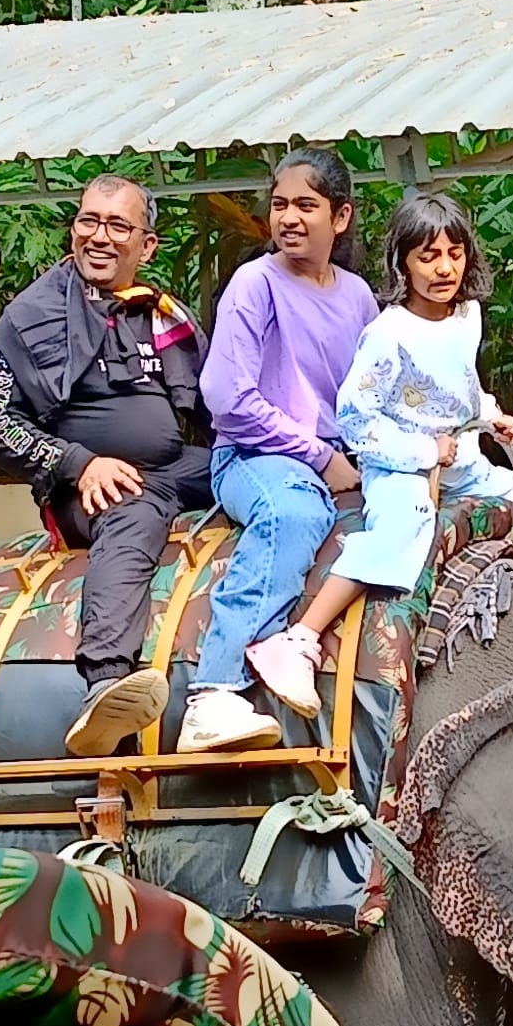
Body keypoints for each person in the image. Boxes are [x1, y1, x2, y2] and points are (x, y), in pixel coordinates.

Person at [246, 191, 513, 718]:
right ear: (403, 263)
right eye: (427, 256)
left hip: (463, 461)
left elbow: (461, 387)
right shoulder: (387, 333)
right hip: (398, 464)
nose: (444, 268)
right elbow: (357, 419)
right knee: (403, 530)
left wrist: (490, 413)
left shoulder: (467, 316)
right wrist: (421, 450)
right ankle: (299, 637)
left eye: (454, 254)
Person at [0, 174, 212, 758]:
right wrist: (79, 464)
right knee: (131, 515)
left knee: (257, 468)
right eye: (89, 221)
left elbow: (213, 406)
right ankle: (105, 683)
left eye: (117, 225)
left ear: (146, 246)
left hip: (168, 471)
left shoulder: (159, 315)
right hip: (86, 489)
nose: (99, 237)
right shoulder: (30, 317)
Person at [177, 148, 379, 754]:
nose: (289, 218)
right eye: (280, 205)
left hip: (338, 456)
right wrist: (318, 456)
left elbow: (372, 393)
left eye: (306, 206)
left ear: (340, 218)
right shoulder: (255, 283)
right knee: (294, 514)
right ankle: (212, 694)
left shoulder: (359, 297)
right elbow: (226, 398)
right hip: (254, 457)